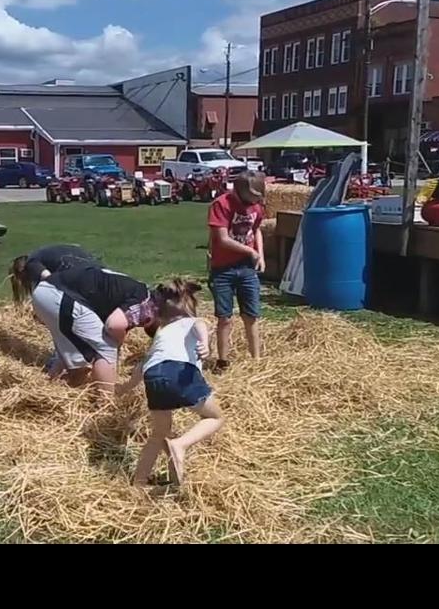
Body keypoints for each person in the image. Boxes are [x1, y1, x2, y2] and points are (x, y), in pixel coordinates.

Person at [117, 278, 223, 487]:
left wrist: (125, 387)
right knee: (216, 417)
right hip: (179, 372)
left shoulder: (161, 334)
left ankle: (139, 483)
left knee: (159, 434)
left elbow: (143, 365)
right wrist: (205, 344)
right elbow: (200, 326)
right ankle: (181, 445)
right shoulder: (193, 321)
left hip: (153, 377)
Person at [25, 264, 152, 397]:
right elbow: (114, 326)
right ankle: (105, 405)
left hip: (47, 292)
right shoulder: (144, 302)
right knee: (107, 347)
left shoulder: (127, 289)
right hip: (60, 295)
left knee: (69, 350)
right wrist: (119, 340)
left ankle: (46, 390)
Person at [207, 170, 266, 371]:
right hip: (223, 269)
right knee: (225, 317)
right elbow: (222, 239)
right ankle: (222, 361)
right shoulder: (221, 205)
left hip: (247, 268)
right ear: (242, 191)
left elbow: (256, 230)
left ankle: (256, 359)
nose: (257, 200)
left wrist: (261, 255)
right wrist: (250, 251)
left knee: (251, 315)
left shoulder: (256, 207)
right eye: (254, 195)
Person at [8, 244, 101, 304]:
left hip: (84, 280)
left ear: (22, 271)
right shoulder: (46, 255)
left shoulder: (32, 263)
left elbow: (51, 280)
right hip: (100, 272)